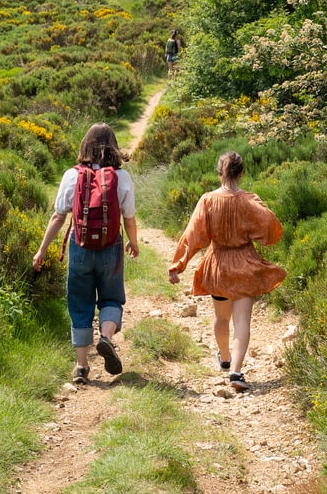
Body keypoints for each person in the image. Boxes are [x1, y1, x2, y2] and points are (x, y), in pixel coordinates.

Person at [31, 123, 141, 384]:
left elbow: (59, 216)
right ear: (114, 146)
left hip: (79, 248)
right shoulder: (121, 177)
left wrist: (41, 250)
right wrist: (133, 243)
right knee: (111, 299)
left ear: (85, 146)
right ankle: (106, 337)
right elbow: (129, 217)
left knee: (79, 303)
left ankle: (81, 367)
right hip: (111, 247)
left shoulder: (72, 175)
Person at [167, 150, 285, 392]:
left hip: (218, 265)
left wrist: (178, 264)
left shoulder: (208, 200)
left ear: (219, 172)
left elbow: (193, 236)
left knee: (221, 318)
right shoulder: (250, 200)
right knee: (243, 321)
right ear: (241, 173)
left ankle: (224, 357)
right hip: (245, 264)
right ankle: (236, 372)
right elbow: (272, 227)